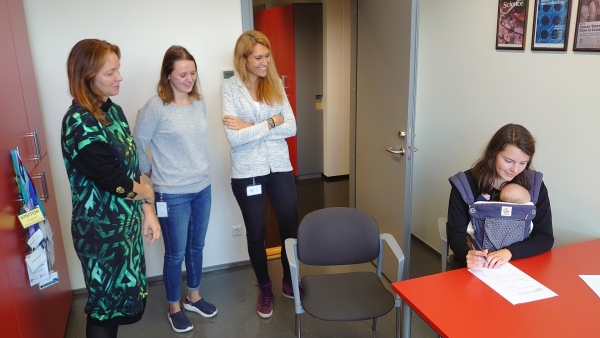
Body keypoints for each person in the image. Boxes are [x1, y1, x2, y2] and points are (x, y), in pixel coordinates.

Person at [61, 39, 161, 338]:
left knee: (118, 305)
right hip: (100, 234)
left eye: (118, 69)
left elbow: (129, 168)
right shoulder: (78, 122)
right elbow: (113, 181)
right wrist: (147, 194)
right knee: (105, 309)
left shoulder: (112, 111)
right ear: (86, 76)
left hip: (123, 227)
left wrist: (147, 211)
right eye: (110, 73)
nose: (119, 77)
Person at [133, 45, 217, 333]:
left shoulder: (199, 103)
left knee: (197, 246)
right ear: (168, 75)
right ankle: (174, 306)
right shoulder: (155, 107)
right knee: (175, 253)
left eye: (192, 72)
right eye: (182, 74)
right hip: (171, 193)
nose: (189, 78)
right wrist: (149, 173)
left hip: (202, 187)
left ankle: (193, 296)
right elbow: (138, 142)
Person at [221, 30, 299, 319]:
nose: (265, 62)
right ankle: (264, 287)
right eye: (258, 57)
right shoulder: (229, 88)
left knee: (290, 229)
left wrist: (250, 125)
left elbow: (291, 128)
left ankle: (289, 280)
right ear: (244, 59)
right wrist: (271, 122)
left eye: (267, 56)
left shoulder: (275, 84)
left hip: (279, 166)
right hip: (246, 172)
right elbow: (233, 138)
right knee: (256, 234)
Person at [447, 124, 553, 270]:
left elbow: (545, 238)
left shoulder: (534, 186)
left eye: (523, 163)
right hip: (478, 267)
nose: (515, 169)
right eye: (508, 161)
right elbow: (455, 236)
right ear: (493, 153)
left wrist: (509, 252)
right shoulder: (465, 184)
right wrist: (468, 255)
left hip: (519, 263)